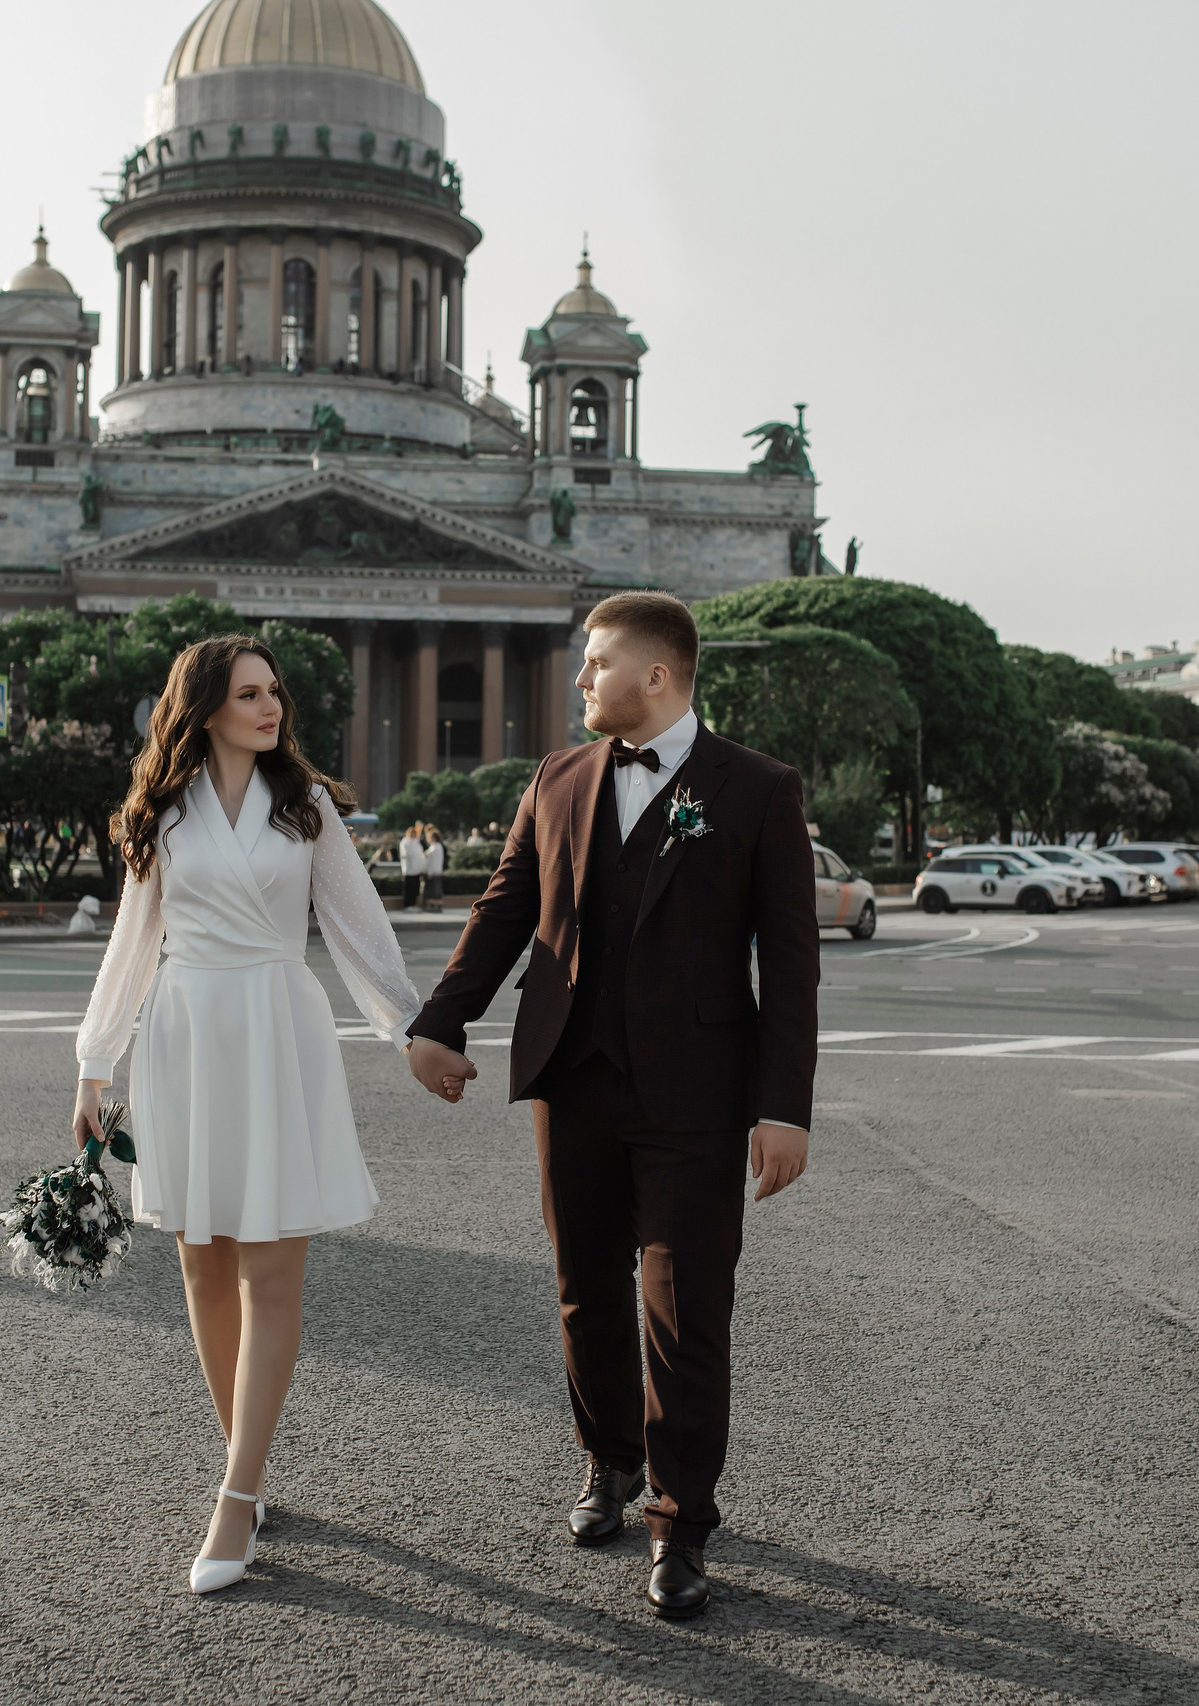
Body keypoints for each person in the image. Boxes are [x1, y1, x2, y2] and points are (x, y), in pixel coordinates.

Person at [403, 590, 818, 1620]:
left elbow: (793, 963)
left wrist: (784, 1106)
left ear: (657, 676)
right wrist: (439, 1021)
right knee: (584, 1287)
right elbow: (503, 909)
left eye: (596, 663)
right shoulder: (556, 778)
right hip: (573, 1077)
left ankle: (682, 1524)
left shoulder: (757, 789)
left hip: (699, 1094)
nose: (581, 679)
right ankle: (609, 1461)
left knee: (686, 1312)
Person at [71, 635, 417, 1596]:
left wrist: (411, 1030)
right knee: (202, 1260)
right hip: (184, 1031)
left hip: (277, 1025)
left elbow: (359, 928)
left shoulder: (307, 809)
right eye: (251, 694)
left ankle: (237, 1492)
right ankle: (245, 1458)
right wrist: (95, 1065)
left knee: (270, 1266)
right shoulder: (160, 814)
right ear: (206, 708)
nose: (272, 709)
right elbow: (133, 942)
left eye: (277, 693)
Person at [396, 823, 427, 912]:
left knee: (415, 889)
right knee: (409, 888)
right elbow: (406, 854)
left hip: (416, 870)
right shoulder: (405, 842)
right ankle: (408, 905)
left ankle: (413, 904)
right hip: (409, 870)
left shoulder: (415, 841)